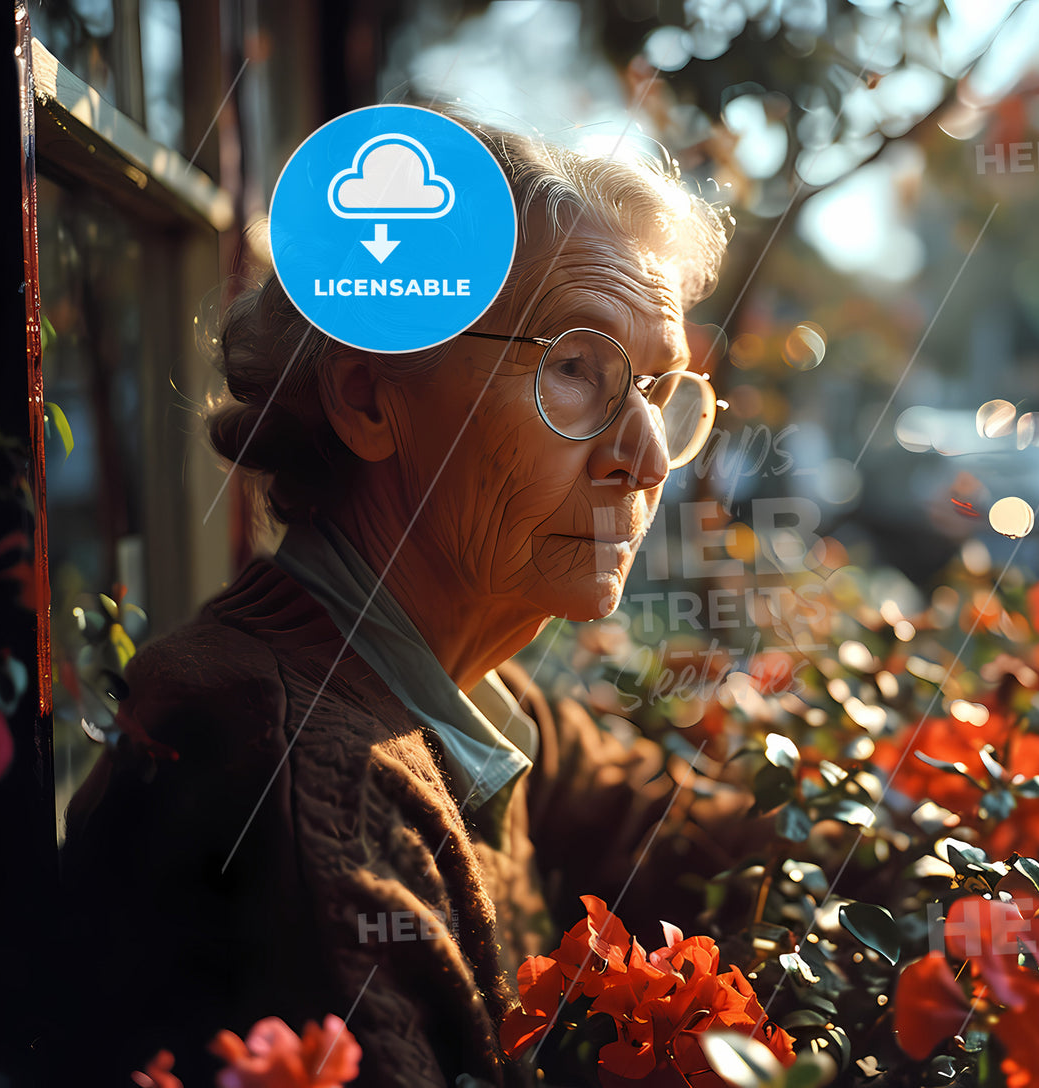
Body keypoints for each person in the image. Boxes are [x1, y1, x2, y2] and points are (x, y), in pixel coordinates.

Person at [56, 116, 756, 1088]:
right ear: (370, 399)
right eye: (574, 370)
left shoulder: (442, 684)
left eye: (657, 390)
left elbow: (675, 836)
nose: (642, 458)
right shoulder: (306, 783)